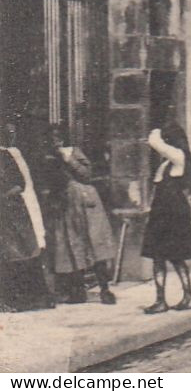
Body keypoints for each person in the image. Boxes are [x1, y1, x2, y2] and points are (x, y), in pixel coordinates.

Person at [45, 125, 118, 305]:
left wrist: (68, 159)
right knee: (71, 247)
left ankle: (105, 289)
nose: (55, 142)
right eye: (51, 138)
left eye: (57, 138)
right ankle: (77, 291)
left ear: (63, 139)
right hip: (65, 206)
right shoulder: (49, 158)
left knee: (93, 244)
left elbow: (86, 175)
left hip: (85, 206)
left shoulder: (74, 152)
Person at [140, 122, 191, 314]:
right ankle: (162, 299)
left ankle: (187, 297)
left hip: (172, 214)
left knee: (175, 257)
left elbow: (155, 142)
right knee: (159, 258)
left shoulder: (179, 157)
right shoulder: (166, 163)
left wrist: (155, 131)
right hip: (161, 213)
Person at [0, 122, 52, 311]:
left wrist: (3, 196)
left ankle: (24, 298)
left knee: (20, 254)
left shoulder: (6, 156)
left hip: (11, 213)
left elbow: (19, 184)